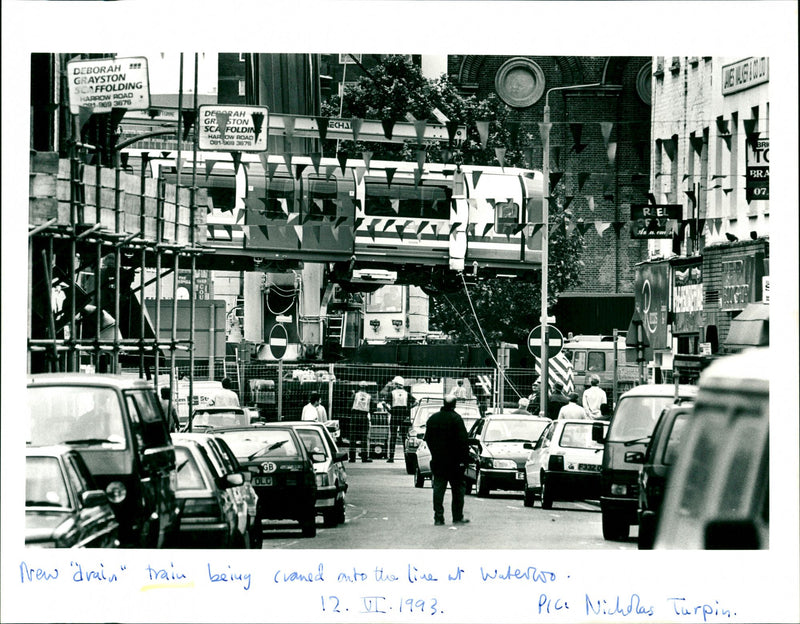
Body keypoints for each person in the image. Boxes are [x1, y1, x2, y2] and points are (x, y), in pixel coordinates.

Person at [424, 393, 471, 526]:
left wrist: (435, 453)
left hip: (438, 460)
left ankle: (438, 517)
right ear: (454, 404)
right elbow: (463, 441)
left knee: (438, 489)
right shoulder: (456, 419)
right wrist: (464, 459)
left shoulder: (433, 419)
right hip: (455, 462)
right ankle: (457, 516)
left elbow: (428, 439)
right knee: (458, 490)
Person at [387, 376, 416, 463]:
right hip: (404, 415)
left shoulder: (392, 393)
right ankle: (406, 456)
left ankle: (391, 457)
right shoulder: (406, 393)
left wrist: (389, 410)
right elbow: (416, 402)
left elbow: (384, 403)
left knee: (393, 436)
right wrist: (408, 408)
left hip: (394, 414)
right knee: (404, 437)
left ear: (396, 384)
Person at [350, 381, 373, 462]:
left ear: (359, 387)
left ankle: (352, 458)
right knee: (364, 438)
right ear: (366, 388)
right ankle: (364, 457)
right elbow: (372, 408)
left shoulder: (355, 395)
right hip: (364, 416)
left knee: (353, 437)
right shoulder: (369, 396)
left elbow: (349, 404)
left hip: (355, 416)